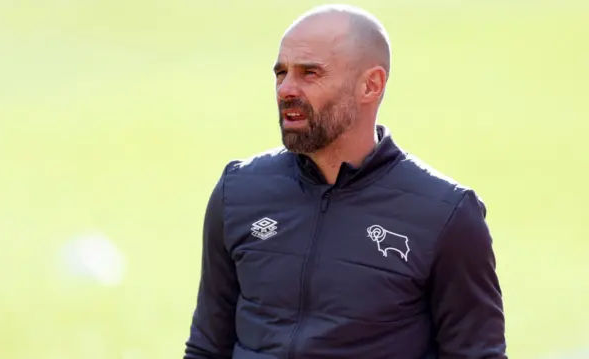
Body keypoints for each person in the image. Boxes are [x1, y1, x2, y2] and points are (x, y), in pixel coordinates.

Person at [184, 4, 507, 359]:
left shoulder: (446, 215)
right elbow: (206, 347)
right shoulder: (239, 191)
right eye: (281, 73)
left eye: (310, 73)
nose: (286, 89)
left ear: (371, 85)